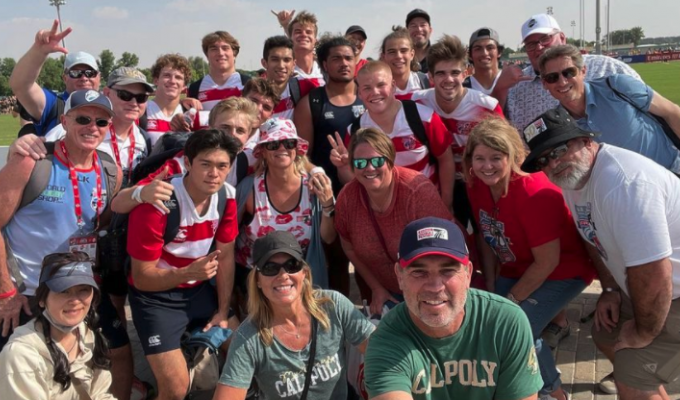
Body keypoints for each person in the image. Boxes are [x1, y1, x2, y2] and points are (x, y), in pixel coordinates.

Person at [523, 108, 680, 400]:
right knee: (605, 333)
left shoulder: (623, 184)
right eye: (543, 159)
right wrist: (609, 288)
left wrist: (643, 334)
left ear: (585, 140)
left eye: (558, 149)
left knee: (632, 378)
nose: (553, 163)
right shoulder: (576, 179)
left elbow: (655, 273)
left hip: (671, 289)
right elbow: (592, 237)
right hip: (650, 286)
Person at [0, 89, 135, 400]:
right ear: (64, 120)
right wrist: (6, 291)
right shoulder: (32, 162)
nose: (93, 127)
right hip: (28, 292)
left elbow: (97, 223)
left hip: (80, 287)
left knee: (118, 349)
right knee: (21, 366)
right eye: (83, 119)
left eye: (101, 121)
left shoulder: (108, 169)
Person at [463, 117, 596, 400]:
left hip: (563, 270)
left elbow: (547, 262)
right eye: (480, 158)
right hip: (518, 266)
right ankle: (508, 379)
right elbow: (486, 239)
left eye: (496, 157)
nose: (487, 166)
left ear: (513, 155)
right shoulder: (476, 185)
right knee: (486, 321)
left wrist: (510, 301)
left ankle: (552, 390)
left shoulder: (534, 192)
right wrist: (491, 282)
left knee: (517, 326)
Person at [364, 217, 543, 399]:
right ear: (399, 276)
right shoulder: (386, 341)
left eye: (448, 271)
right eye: (419, 272)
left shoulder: (505, 322)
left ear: (468, 274)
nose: (435, 287)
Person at [126, 129, 241, 400]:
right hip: (156, 298)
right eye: (205, 164)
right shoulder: (158, 202)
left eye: (222, 166)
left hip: (198, 289)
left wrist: (223, 311)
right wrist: (188, 272)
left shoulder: (227, 195)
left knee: (248, 353)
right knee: (176, 389)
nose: (214, 173)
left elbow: (224, 257)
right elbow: (142, 278)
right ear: (187, 163)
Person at [214, 231, 375, 399]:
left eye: (292, 265)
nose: (283, 275)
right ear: (258, 281)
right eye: (270, 268)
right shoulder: (248, 337)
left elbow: (381, 350)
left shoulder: (332, 306)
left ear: (304, 272)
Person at [335, 127, 453, 315]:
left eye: (377, 160)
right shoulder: (347, 199)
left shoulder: (416, 190)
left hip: (433, 289)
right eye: (360, 162)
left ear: (390, 160)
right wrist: (376, 288)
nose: (369, 168)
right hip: (387, 292)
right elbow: (348, 247)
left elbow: (443, 249)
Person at [408, 34, 504, 228]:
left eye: (454, 72)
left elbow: (506, 150)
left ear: (466, 72)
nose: (448, 79)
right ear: (431, 77)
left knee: (486, 236)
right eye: (441, 73)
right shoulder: (416, 102)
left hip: (479, 180)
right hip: (438, 181)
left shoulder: (487, 106)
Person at [538, 44, 680, 173]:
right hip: (634, 195)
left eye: (569, 72)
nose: (562, 81)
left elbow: (671, 112)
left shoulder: (618, 86)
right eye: (552, 77)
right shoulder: (559, 127)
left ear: (583, 71)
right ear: (545, 84)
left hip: (673, 170)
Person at [235, 118, 336, 294]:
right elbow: (228, 238)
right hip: (255, 280)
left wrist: (328, 205)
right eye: (273, 144)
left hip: (298, 279)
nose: (282, 148)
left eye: (289, 143)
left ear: (296, 149)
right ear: (263, 151)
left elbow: (328, 238)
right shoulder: (249, 188)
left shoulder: (313, 187)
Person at [340, 61, 455, 211]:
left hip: (427, 207)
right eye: (367, 88)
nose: (375, 92)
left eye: (381, 85)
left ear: (393, 85)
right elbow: (354, 179)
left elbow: (446, 160)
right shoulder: (355, 131)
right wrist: (342, 168)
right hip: (383, 213)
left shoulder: (423, 117)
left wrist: (445, 204)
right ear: (359, 93)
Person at [499, 13, 640, 133]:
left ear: (562, 38)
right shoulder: (517, 89)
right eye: (531, 44)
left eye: (545, 39)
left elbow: (648, 107)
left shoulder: (606, 67)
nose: (539, 47)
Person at [0, 252, 114, 399]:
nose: (75, 300)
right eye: (63, 291)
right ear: (42, 299)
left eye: (83, 290)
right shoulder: (20, 356)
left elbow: (100, 394)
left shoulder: (87, 333)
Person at [9, 20, 99, 136]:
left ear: (99, 76)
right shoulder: (54, 104)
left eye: (90, 73)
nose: (84, 78)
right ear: (65, 78)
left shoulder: (110, 105)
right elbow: (21, 85)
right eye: (75, 73)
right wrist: (39, 51)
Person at [261, 36, 316, 121]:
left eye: (287, 60)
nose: (281, 66)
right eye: (275, 59)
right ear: (264, 63)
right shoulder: (252, 93)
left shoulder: (304, 87)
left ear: (294, 64)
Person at [146, 53, 193, 145]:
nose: (172, 81)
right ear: (156, 80)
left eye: (178, 77)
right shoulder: (142, 111)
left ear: (184, 85)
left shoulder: (189, 114)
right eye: (167, 75)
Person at [380, 27, 430, 100]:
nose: (398, 56)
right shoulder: (377, 89)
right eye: (392, 52)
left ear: (412, 54)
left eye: (403, 51)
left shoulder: (426, 81)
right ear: (383, 57)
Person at [464, 28, 504, 95]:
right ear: (470, 55)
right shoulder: (462, 88)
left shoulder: (513, 83)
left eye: (490, 48)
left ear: (499, 52)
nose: (484, 53)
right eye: (478, 49)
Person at [405, 8, 433, 73]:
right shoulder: (401, 60)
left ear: (430, 30)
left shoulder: (439, 57)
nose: (419, 29)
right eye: (413, 25)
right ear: (406, 31)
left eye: (423, 25)